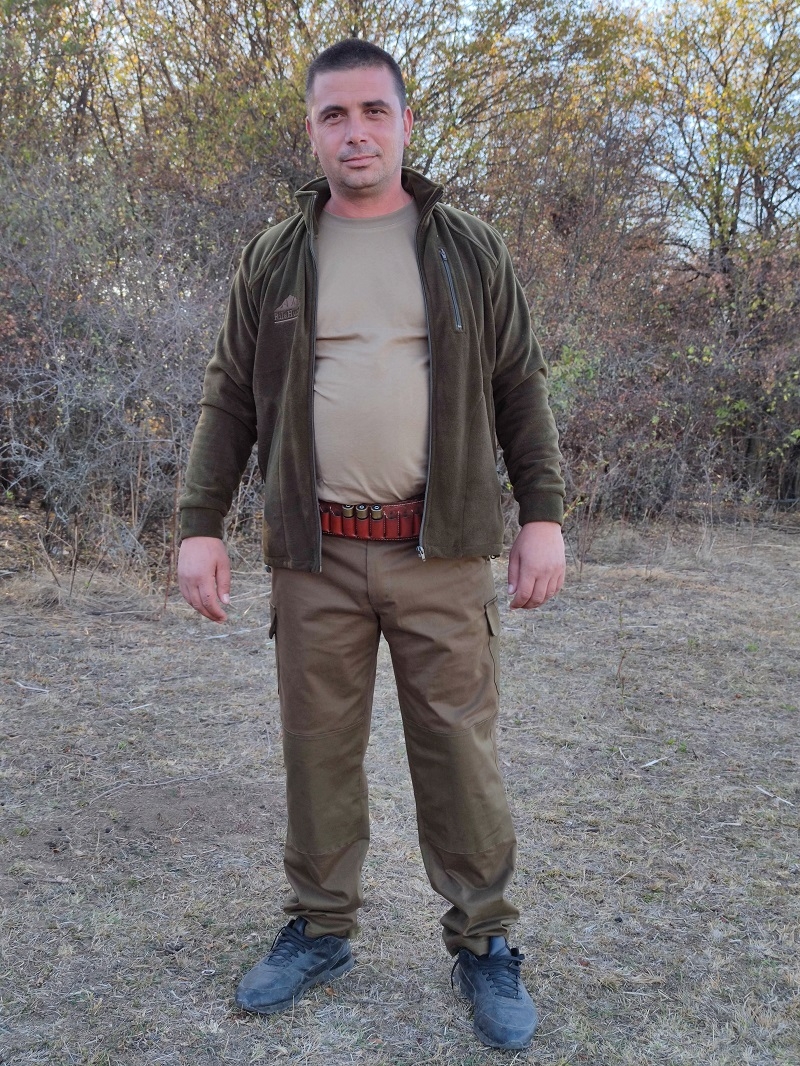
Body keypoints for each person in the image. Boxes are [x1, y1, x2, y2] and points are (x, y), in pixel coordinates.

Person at [177, 38, 565, 1051]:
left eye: (372, 112)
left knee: (459, 752)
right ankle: (319, 927)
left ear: (404, 121)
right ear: (311, 131)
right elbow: (228, 396)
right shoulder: (274, 256)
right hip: (315, 554)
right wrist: (199, 524)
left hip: (441, 550)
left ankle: (483, 940)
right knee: (318, 751)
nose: (355, 132)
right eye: (334, 115)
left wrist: (541, 514)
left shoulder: (468, 248)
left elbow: (519, 385)